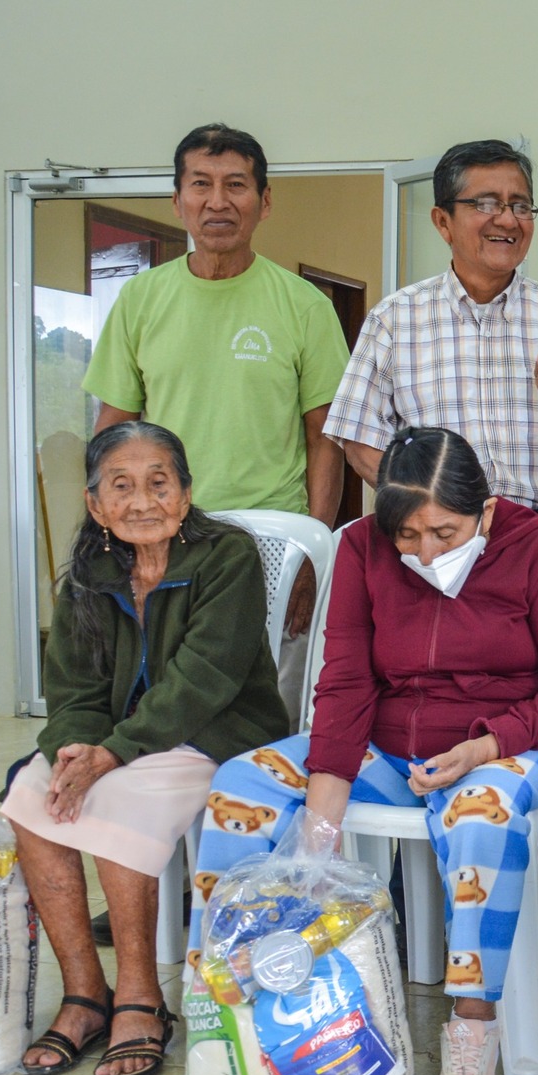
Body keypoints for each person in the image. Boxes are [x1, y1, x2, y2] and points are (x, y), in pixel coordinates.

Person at [194, 427, 538, 1075]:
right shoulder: (361, 547)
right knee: (243, 783)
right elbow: (346, 681)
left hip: (518, 744)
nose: (426, 554)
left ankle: (473, 1026)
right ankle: (232, 996)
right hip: (392, 749)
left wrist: (485, 746)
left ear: (486, 512)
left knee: (481, 810)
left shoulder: (537, 548)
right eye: (408, 536)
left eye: (445, 533)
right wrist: (319, 833)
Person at [2, 422, 289, 1075]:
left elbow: (204, 678)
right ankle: (85, 994)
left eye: (158, 484)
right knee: (30, 795)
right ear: (96, 504)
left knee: (120, 797)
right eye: (121, 487)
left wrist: (114, 752)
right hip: (117, 738)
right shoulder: (90, 571)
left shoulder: (227, 555)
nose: (141, 502)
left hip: (213, 730)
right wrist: (75, 748)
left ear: (185, 493)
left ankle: (140, 996)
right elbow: (72, 686)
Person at [83, 123, 349, 702]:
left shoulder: (304, 306)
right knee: (168, 694)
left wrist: (314, 553)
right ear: (177, 200)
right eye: (201, 184)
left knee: (271, 699)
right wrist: (102, 533)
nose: (218, 201)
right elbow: (114, 430)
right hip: (163, 535)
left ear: (264, 201)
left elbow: (326, 439)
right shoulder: (140, 299)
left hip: (270, 538)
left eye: (236, 185)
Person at [324, 139, 538, 513]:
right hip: (438, 530)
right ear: (443, 221)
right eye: (486, 204)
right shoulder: (395, 319)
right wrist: (429, 513)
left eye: (520, 205)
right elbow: (359, 439)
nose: (508, 220)